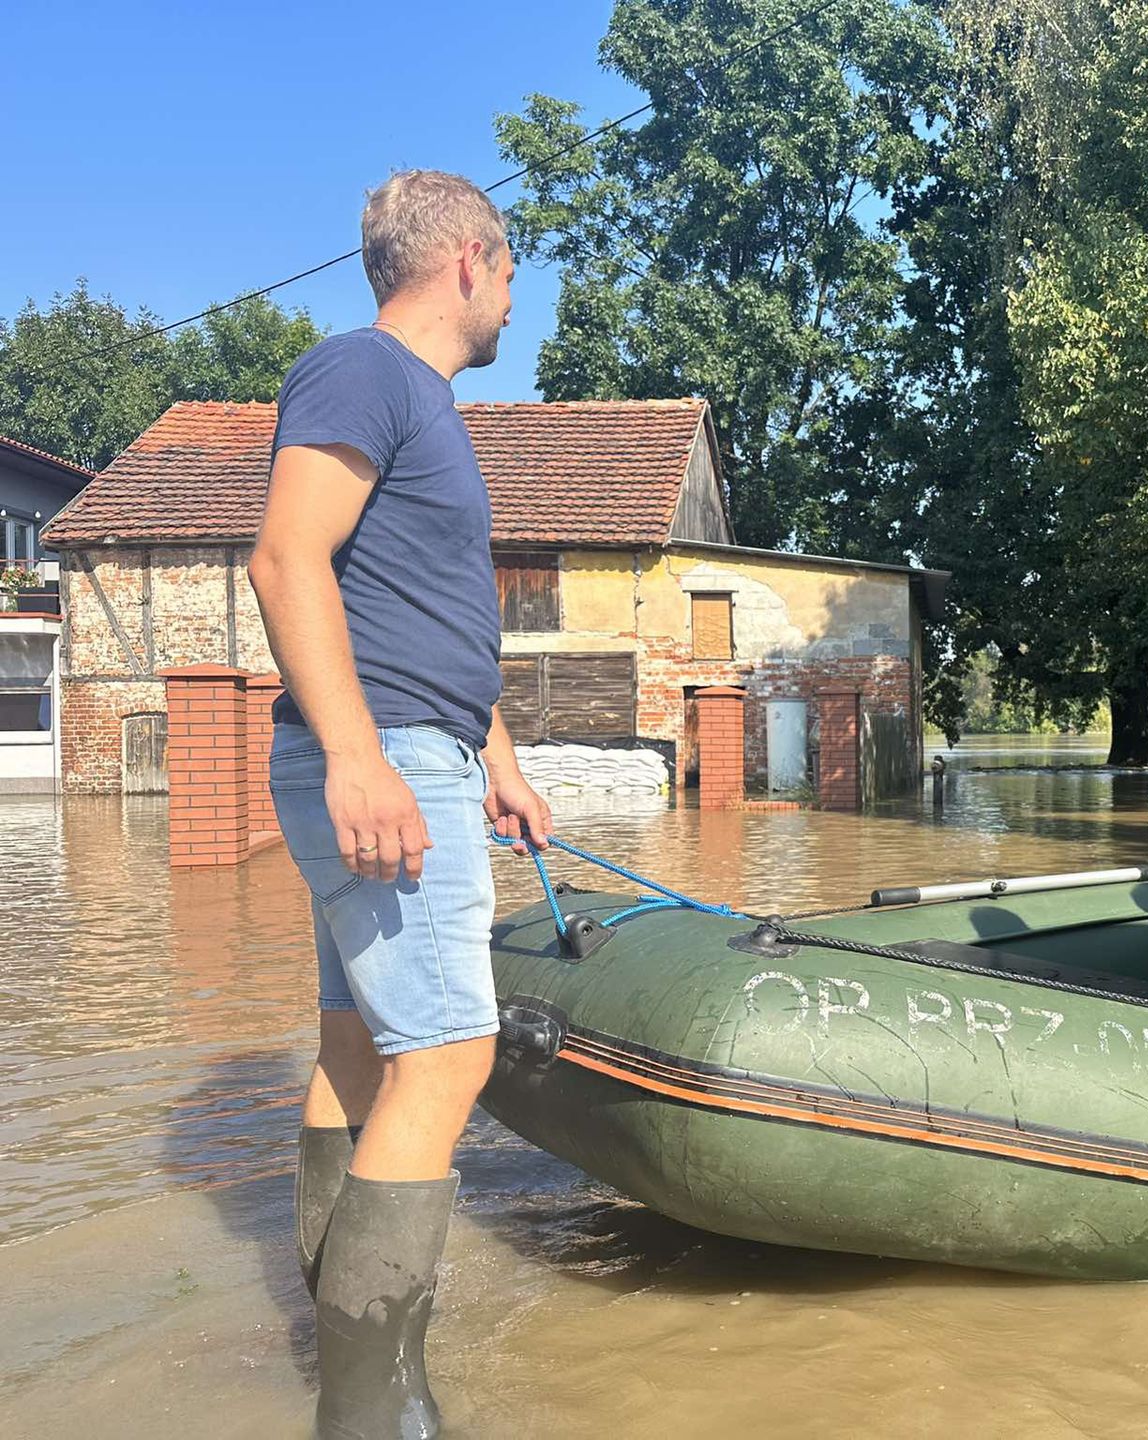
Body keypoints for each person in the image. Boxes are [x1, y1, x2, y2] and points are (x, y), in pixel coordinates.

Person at [249, 169, 551, 1438]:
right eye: (513, 270)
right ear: (470, 261)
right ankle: (376, 1411)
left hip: (415, 746)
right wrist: (366, 759)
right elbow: (285, 556)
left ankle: (330, 1346)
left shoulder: (420, 406)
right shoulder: (362, 373)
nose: (516, 296)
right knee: (447, 1058)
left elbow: (419, 613)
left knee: (360, 1051)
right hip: (373, 762)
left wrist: (499, 751)